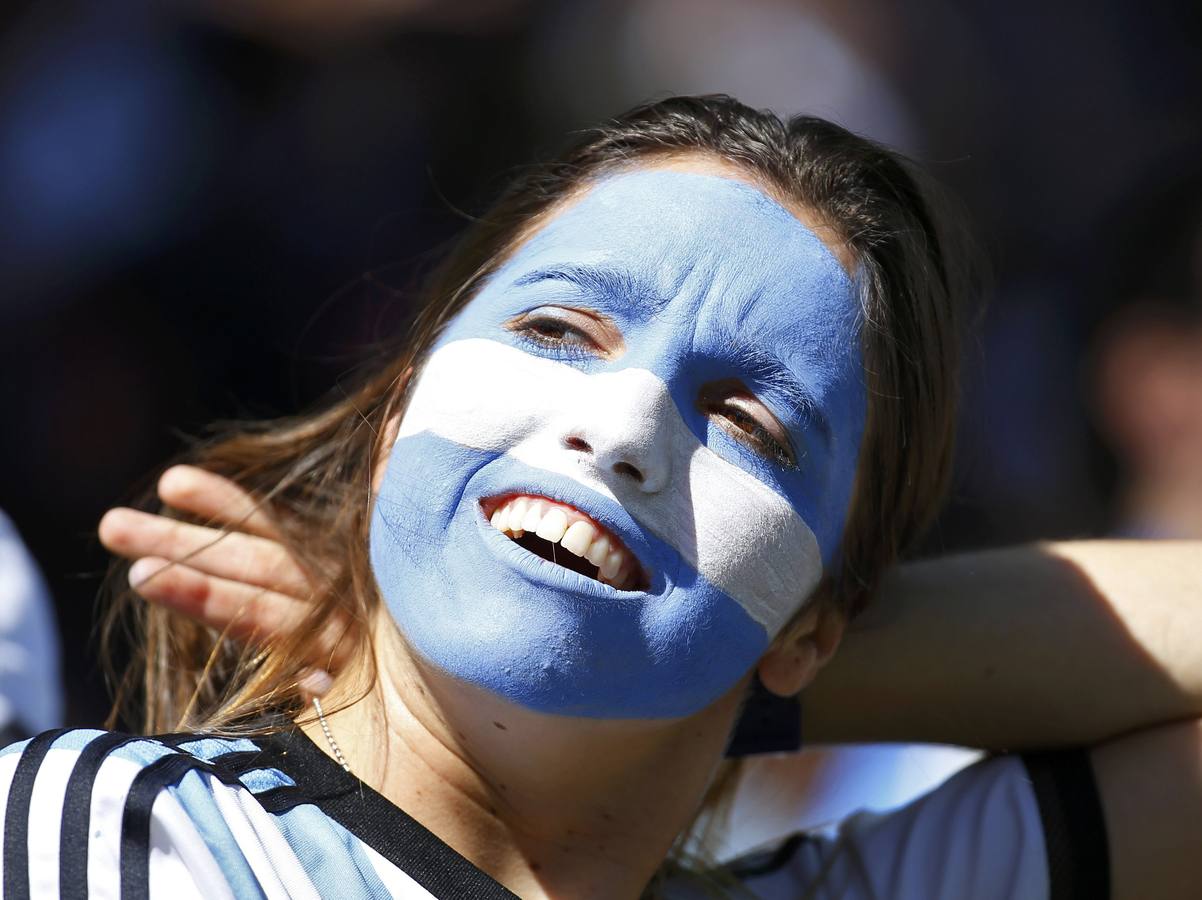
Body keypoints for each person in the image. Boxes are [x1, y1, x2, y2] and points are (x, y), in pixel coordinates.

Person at [3, 95, 1201, 899]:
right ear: (392, 423)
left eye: (747, 423)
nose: (623, 426)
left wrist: (726, 675)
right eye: (557, 329)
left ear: (819, 623)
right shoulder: (110, 837)